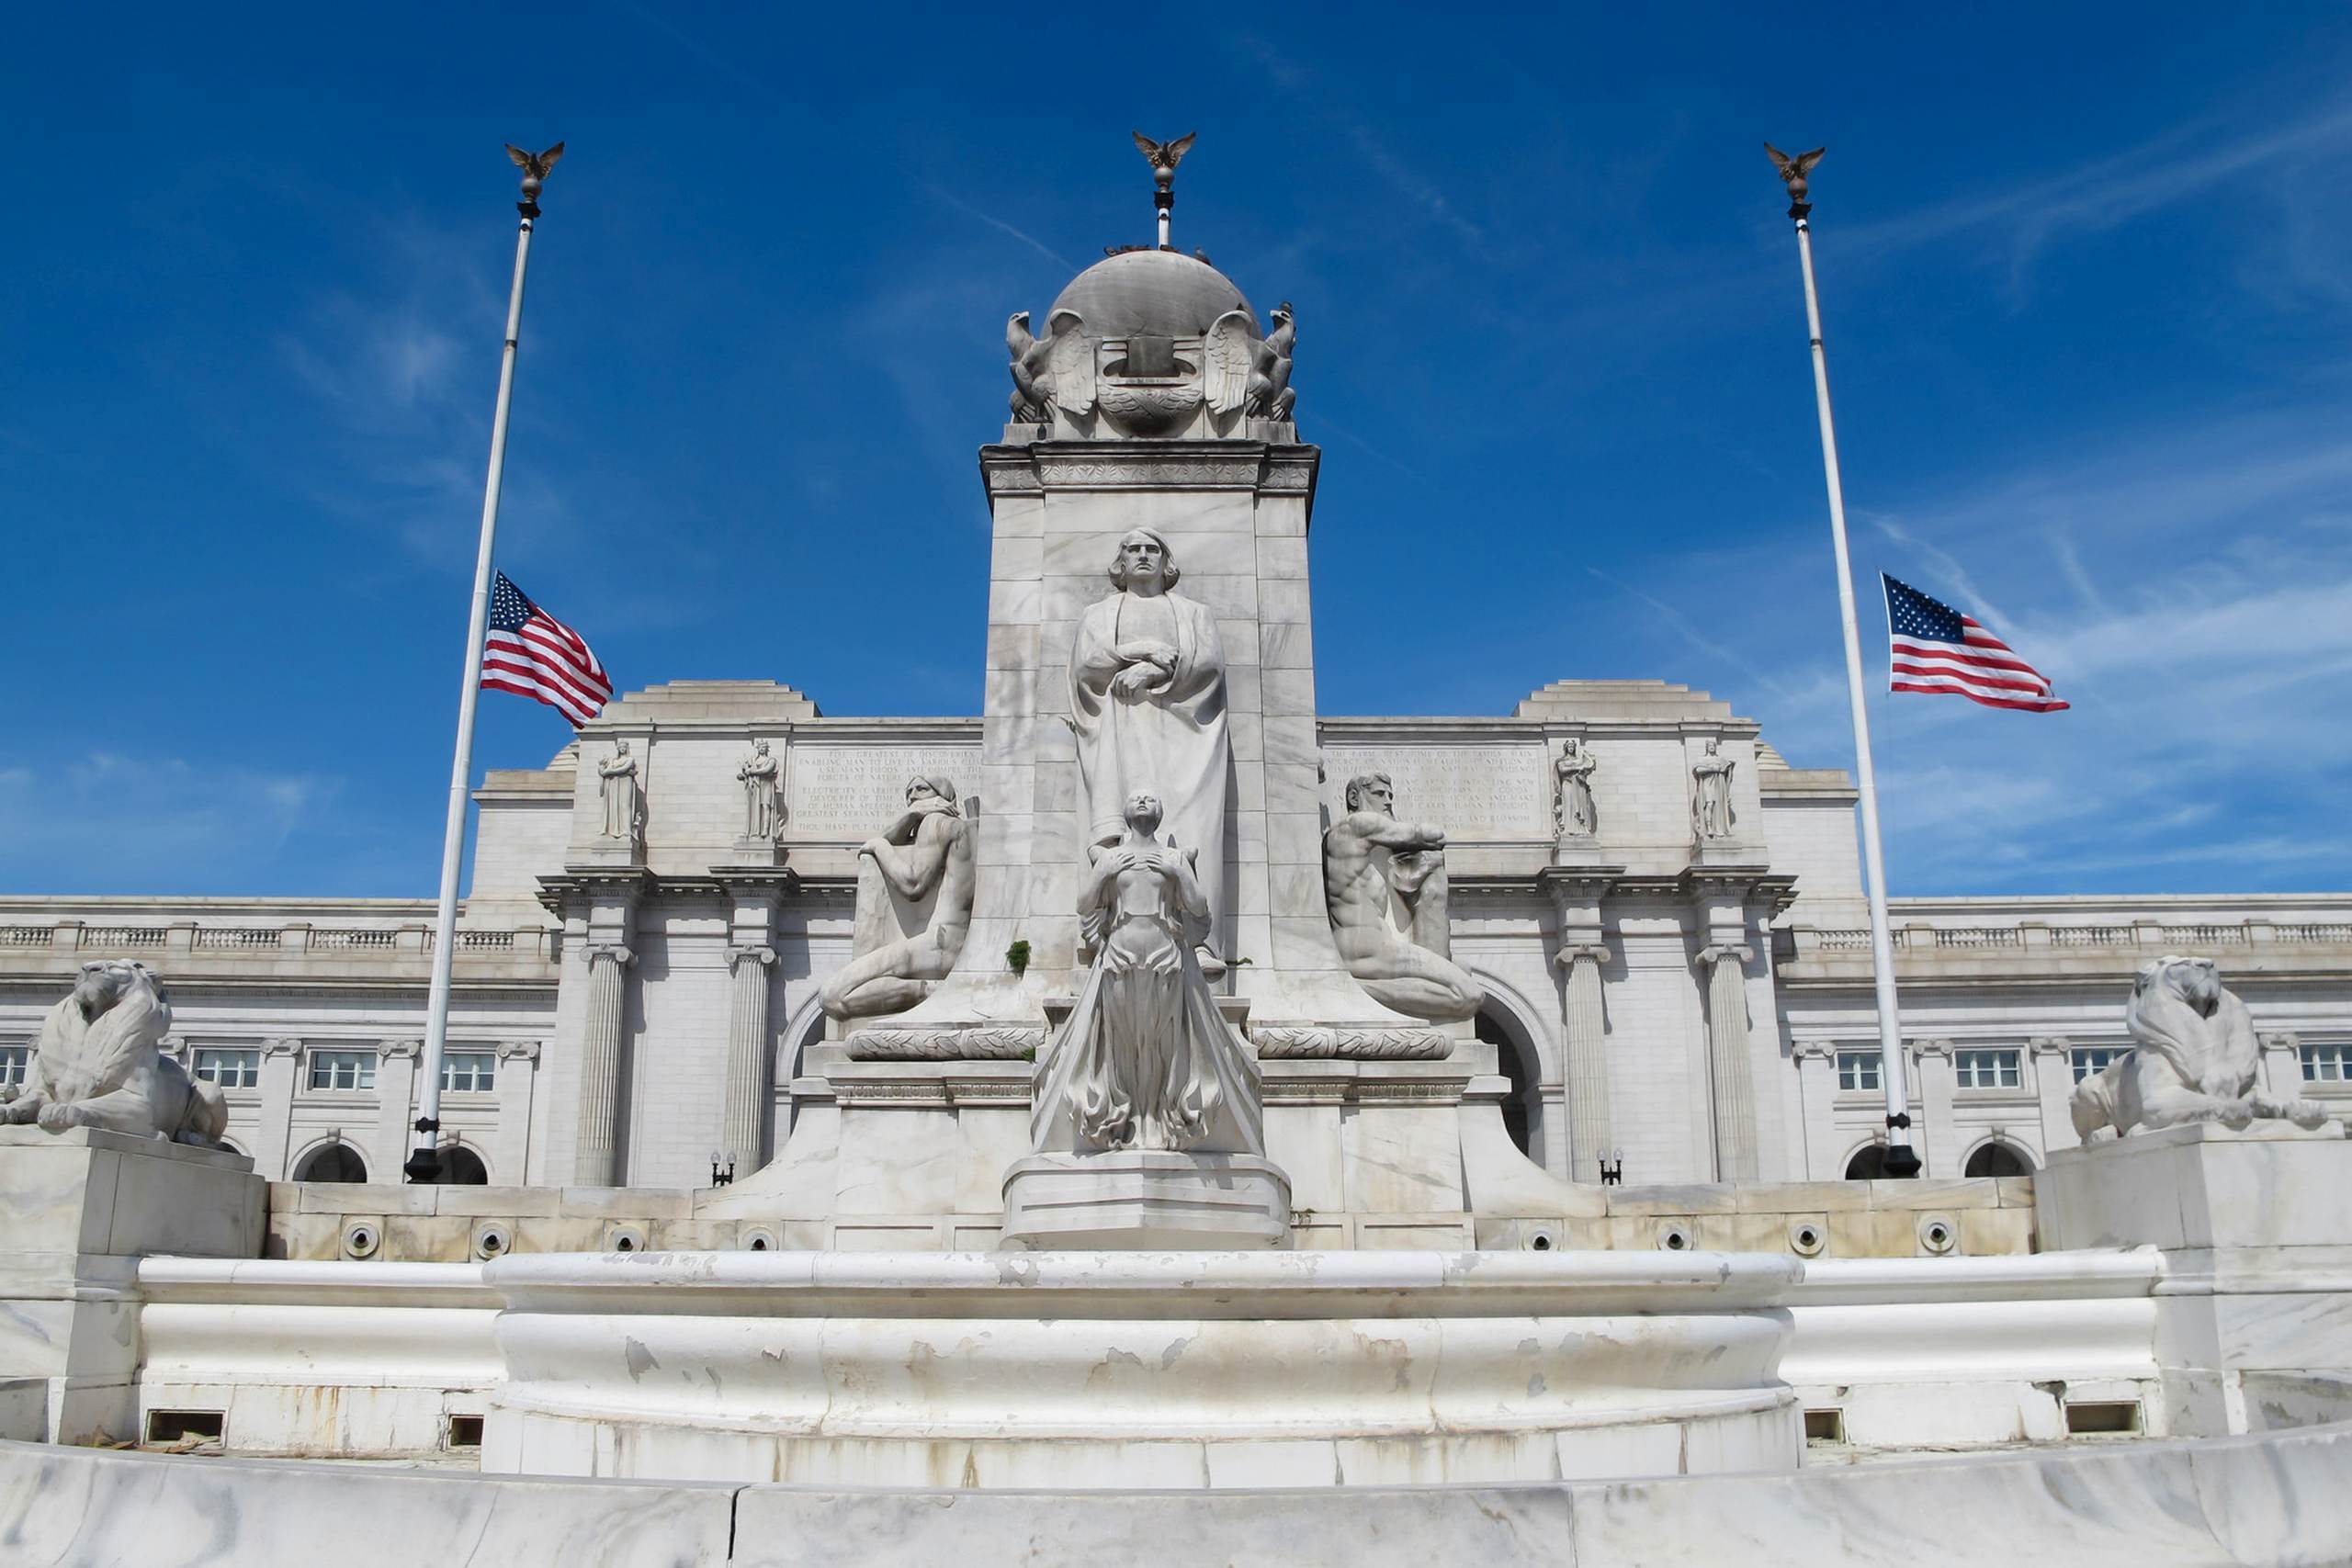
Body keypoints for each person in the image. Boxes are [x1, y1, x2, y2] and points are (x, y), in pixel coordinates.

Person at [1030, 790, 1261, 1156]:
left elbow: (1198, 908)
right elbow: (1084, 905)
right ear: (1124, 812)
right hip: (1119, 957)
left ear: (1160, 812)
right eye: (1136, 798)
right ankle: (1127, 1117)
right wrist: (1102, 874)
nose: (1142, 801)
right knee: (1124, 1040)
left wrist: (1179, 873)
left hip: (1164, 956)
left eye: (1150, 799)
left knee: (1160, 1040)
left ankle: (1156, 1116)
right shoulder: (1111, 858)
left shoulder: (1174, 857)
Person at [1068, 528, 1230, 970]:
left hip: (1188, 737)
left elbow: (1210, 665)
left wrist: (1154, 674)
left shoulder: (1194, 613)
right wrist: (1146, 652)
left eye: (1152, 549)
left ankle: (1198, 941)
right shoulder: (1099, 614)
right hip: (1119, 733)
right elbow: (1087, 664)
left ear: (1166, 561)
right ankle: (1109, 937)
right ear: (1120, 561)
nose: (1143, 555)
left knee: (1194, 831)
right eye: (1134, 549)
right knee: (1121, 837)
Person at [1322, 773, 1481, 1022]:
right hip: (1368, 949)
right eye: (1379, 794)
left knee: (1463, 971)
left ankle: (1352, 988)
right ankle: (1347, 989)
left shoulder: (1365, 851)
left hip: (1376, 949)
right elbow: (1434, 834)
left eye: (1390, 796)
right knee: (1470, 995)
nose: (1387, 801)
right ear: (1354, 797)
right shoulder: (1354, 826)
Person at [820, 776, 974, 1021]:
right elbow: (892, 839)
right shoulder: (956, 829)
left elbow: (913, 884)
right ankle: (939, 990)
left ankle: (940, 991)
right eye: (909, 792)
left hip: (939, 944)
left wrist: (879, 847)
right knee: (837, 996)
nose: (913, 796)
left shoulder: (936, 822)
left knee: (833, 996)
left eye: (922, 789)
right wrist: (909, 817)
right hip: (943, 942)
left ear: (942, 796)